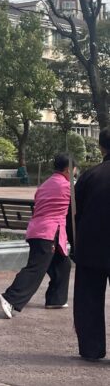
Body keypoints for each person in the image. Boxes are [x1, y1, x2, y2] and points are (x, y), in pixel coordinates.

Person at [0, 153, 73, 319]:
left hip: (37, 230)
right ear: (68, 169)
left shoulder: (46, 184)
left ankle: (56, 299)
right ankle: (10, 298)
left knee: (63, 265)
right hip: (49, 233)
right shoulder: (68, 186)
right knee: (36, 268)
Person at [72, 127, 110, 361]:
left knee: (89, 300)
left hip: (91, 248)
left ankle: (91, 349)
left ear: (101, 147)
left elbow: (73, 214)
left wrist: (75, 247)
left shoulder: (89, 175)